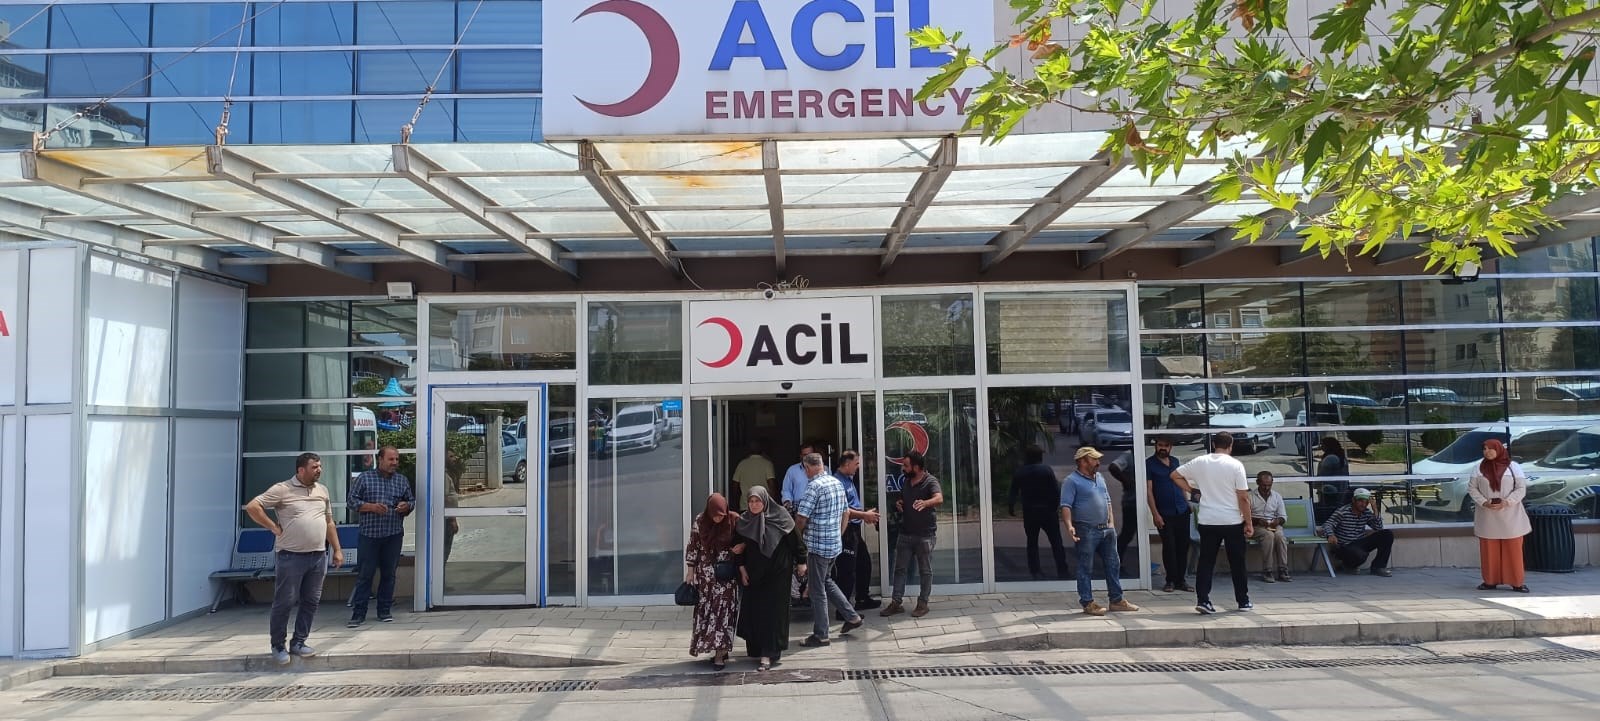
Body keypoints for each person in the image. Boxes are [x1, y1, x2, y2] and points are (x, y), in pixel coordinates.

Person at [243, 453, 345, 665]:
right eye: (314, 467)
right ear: (301, 470)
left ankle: (299, 642)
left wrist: (337, 549)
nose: (319, 470)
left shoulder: (322, 490)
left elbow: (329, 522)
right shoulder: (282, 489)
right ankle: (278, 645)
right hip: (291, 556)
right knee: (285, 601)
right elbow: (253, 507)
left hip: (318, 555)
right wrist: (273, 527)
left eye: (320, 466)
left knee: (311, 600)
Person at [1169, 432, 1253, 615]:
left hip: (1208, 520)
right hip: (1232, 520)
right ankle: (1243, 600)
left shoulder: (1200, 461)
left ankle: (1203, 600)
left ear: (1214, 444)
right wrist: (1249, 522)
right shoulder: (1236, 465)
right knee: (1237, 562)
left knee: (1206, 561)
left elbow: (1174, 475)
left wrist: (1192, 490)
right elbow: (1243, 497)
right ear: (1231, 445)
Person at [793, 453, 866, 646]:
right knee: (826, 581)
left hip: (817, 547)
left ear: (807, 468)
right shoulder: (836, 483)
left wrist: (796, 540)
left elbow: (801, 518)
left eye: (805, 469)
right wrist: (838, 535)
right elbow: (846, 512)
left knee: (817, 591)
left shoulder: (813, 487)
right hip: (833, 545)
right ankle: (852, 617)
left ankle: (821, 634)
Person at [1060, 447, 1138, 616]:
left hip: (1106, 529)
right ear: (1083, 461)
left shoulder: (1100, 477)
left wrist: (1111, 522)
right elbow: (1066, 505)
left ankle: (1116, 600)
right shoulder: (1071, 481)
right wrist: (1069, 526)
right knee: (1085, 566)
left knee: (1113, 564)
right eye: (1094, 459)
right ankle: (1088, 602)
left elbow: (1107, 500)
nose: (1098, 462)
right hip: (1086, 529)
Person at [736, 487, 803, 671]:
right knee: (756, 612)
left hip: (778, 573)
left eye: (758, 501)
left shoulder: (781, 516)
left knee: (773, 613)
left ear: (765, 501)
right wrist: (741, 568)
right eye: (751, 501)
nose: (754, 505)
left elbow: (795, 540)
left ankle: (769, 653)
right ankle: (758, 649)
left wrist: (802, 561)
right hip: (754, 574)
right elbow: (738, 547)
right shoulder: (745, 521)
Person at [346, 446, 414, 627]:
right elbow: (351, 501)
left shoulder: (401, 480)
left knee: (389, 574)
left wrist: (406, 506)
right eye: (391, 459)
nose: (395, 463)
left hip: (393, 534)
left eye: (397, 459)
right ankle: (358, 613)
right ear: (380, 459)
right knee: (365, 574)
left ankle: (384, 610)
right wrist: (371, 507)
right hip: (370, 535)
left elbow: (411, 501)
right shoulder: (364, 478)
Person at [881, 450, 942, 618]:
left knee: (925, 571)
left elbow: (939, 498)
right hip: (905, 533)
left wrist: (926, 503)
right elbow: (903, 498)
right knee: (900, 569)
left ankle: (923, 603)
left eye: (906, 466)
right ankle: (896, 603)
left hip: (925, 535)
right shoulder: (907, 481)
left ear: (916, 467)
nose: (903, 468)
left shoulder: (930, 481)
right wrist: (900, 503)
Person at [685, 493, 740, 670]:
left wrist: (741, 548)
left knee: (723, 613)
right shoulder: (700, 521)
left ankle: (720, 653)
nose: (718, 519)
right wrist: (690, 571)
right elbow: (693, 546)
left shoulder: (733, 520)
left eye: (721, 515)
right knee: (707, 612)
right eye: (715, 515)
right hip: (706, 577)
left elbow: (745, 540)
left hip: (726, 578)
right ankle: (715, 648)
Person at [1469, 439, 1531, 592]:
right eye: (1484, 449)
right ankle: (1490, 581)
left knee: (1513, 549)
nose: (1487, 452)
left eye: (1491, 448)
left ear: (1499, 449)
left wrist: (1507, 502)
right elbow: (1472, 488)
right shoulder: (1478, 468)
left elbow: (1521, 488)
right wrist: (1484, 502)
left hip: (1511, 515)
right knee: (1489, 550)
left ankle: (1516, 582)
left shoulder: (1513, 467)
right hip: (1488, 515)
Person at [1008, 445, 1070, 580]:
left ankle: (1035, 570)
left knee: (1032, 542)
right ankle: (1062, 570)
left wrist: (1011, 506)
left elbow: (1013, 491)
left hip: (1030, 511)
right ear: (1039, 457)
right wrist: (1055, 506)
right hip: (1047, 511)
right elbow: (1055, 490)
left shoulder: (1020, 472)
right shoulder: (1046, 470)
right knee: (1056, 542)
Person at [833, 450, 880, 610]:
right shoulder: (837, 482)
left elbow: (852, 506)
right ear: (847, 464)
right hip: (846, 530)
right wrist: (864, 515)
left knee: (863, 563)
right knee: (847, 570)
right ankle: (843, 610)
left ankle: (862, 598)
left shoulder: (849, 479)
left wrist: (864, 515)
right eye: (856, 463)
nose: (858, 466)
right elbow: (844, 511)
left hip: (854, 530)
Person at [1146, 438, 1192, 592]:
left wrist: (1187, 502)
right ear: (1155, 446)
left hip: (1181, 510)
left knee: (1183, 546)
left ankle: (1181, 580)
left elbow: (1181, 482)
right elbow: (1149, 491)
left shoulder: (1175, 461)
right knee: (1169, 547)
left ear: (1170, 447)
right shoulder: (1149, 464)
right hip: (1164, 513)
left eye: (1166, 446)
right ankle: (1170, 580)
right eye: (1160, 445)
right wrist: (1155, 514)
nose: (1163, 448)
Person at [1318, 488, 1395, 576]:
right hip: (1345, 546)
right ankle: (1347, 565)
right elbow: (1327, 524)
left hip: (1359, 543)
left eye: (1366, 502)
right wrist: (1331, 535)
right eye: (1360, 501)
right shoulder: (1343, 511)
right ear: (1353, 500)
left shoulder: (1366, 512)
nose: (1363, 504)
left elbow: (1378, 528)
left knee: (1387, 534)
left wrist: (1375, 510)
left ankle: (1378, 567)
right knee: (1360, 554)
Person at [1249, 471, 1291, 583]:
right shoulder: (1250, 496)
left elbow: (1283, 516)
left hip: (1273, 525)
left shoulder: (1277, 496)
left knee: (1280, 536)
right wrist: (1258, 520)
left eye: (1269, 485)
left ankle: (1283, 569)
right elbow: (1244, 517)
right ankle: (1267, 570)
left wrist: (1277, 521)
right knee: (1268, 535)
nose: (1266, 488)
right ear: (1258, 483)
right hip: (1256, 526)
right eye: (1264, 485)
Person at [1108, 451, 1140, 571]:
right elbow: (1113, 467)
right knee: (1127, 534)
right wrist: (1126, 481)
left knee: (1133, 533)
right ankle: (1114, 562)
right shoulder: (1129, 455)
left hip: (1145, 502)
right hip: (1132, 502)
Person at [730, 441, 775, 513]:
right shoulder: (767, 464)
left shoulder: (742, 464)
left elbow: (735, 485)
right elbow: (772, 486)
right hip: (762, 506)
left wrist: (735, 503)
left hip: (745, 505)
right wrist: (771, 506)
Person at [780, 442, 817, 510]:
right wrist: (787, 502)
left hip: (817, 507)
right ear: (800, 456)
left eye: (810, 454)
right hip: (798, 507)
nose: (808, 457)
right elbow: (786, 490)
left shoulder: (823, 470)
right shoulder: (792, 470)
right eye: (805, 455)